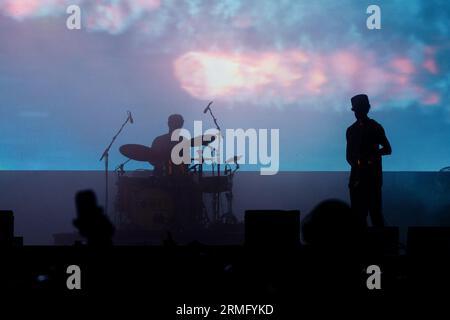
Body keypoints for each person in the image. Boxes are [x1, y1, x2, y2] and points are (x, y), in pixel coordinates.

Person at [346, 94, 392, 227]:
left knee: (373, 214)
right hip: (361, 179)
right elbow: (349, 157)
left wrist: (367, 157)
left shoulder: (372, 127)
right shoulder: (353, 130)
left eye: (360, 109)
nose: (358, 113)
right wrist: (364, 161)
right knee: (363, 216)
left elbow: (388, 149)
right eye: (357, 110)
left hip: (369, 179)